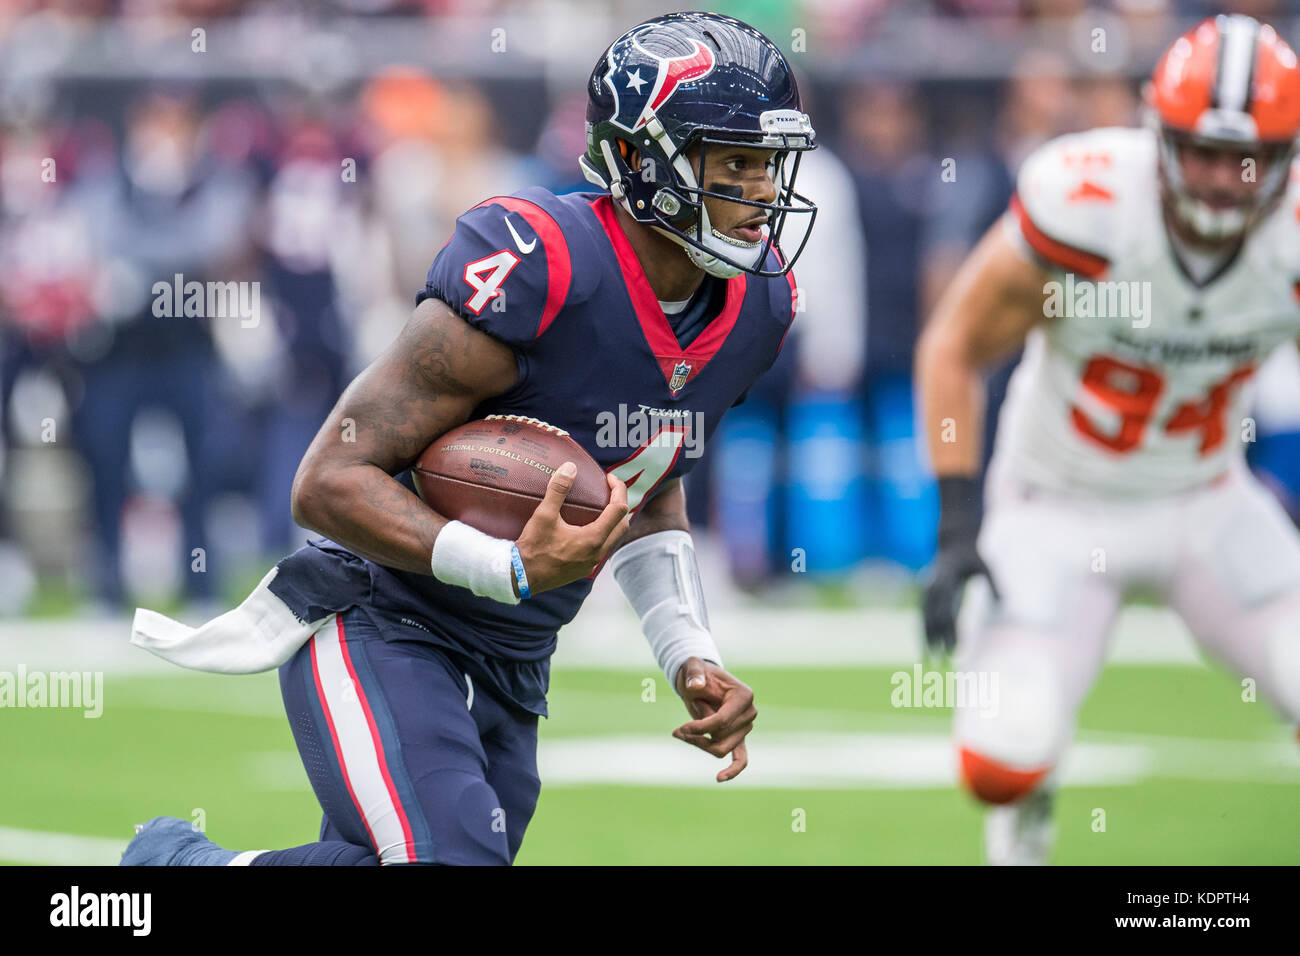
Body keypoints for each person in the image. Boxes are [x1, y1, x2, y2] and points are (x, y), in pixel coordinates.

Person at [121, 11, 816, 866]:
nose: (762, 193)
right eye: (733, 163)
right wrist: (508, 565)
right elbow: (329, 479)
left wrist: (687, 653)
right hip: (385, 617)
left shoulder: (759, 305)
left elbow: (647, 479)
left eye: (770, 165)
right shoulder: (543, 264)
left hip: (515, 655)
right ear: (640, 159)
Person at [916, 14, 1300, 865]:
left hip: (1207, 501)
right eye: (1200, 149)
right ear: (1156, 131)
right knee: (1002, 758)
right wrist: (955, 521)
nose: (1220, 180)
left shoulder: (1290, 238)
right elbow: (954, 344)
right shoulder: (1086, 202)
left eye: (1246, 159)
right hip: (1057, 504)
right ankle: (1031, 814)